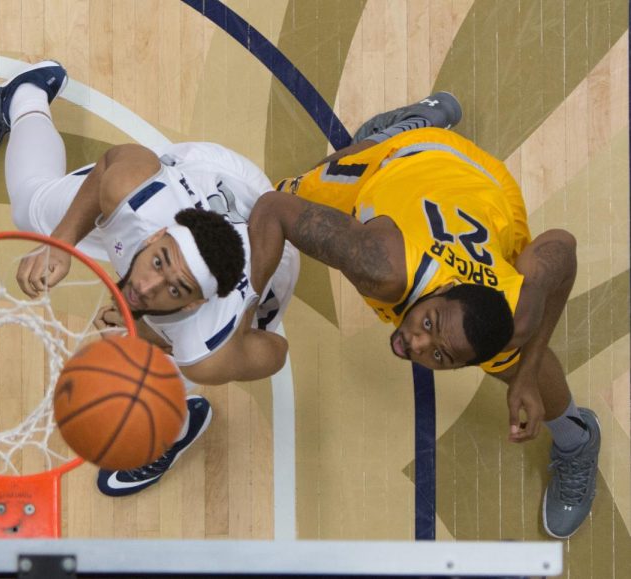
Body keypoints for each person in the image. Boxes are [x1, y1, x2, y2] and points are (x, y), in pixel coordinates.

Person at [248, 96, 600, 540]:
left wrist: (526, 374)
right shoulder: (380, 267)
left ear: (463, 364)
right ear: (444, 289)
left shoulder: (516, 313)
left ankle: (579, 439)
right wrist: (245, 307)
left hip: (484, 194)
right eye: (430, 324)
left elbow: (562, 249)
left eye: (441, 355)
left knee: (521, 359)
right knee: (285, 193)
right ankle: (404, 130)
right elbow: (272, 209)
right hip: (408, 162)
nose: (416, 344)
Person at [0, 60, 300, 496]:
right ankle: (25, 95)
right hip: (220, 177)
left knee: (134, 382)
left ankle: (178, 424)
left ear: (193, 304)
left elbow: (276, 351)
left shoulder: (208, 345)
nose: (148, 287)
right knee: (31, 212)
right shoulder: (138, 195)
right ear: (155, 235)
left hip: (269, 257)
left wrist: (153, 334)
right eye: (158, 262)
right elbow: (112, 163)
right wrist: (60, 243)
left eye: (175, 289)